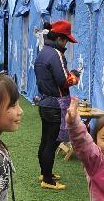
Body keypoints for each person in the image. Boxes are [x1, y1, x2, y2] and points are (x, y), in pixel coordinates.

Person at [34, 20, 81, 190]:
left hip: (45, 101)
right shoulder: (55, 54)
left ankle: (44, 172)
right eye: (66, 40)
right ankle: (47, 179)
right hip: (55, 104)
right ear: (60, 38)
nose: (67, 43)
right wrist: (75, 74)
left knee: (45, 139)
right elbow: (64, 81)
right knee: (52, 142)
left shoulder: (43, 52)